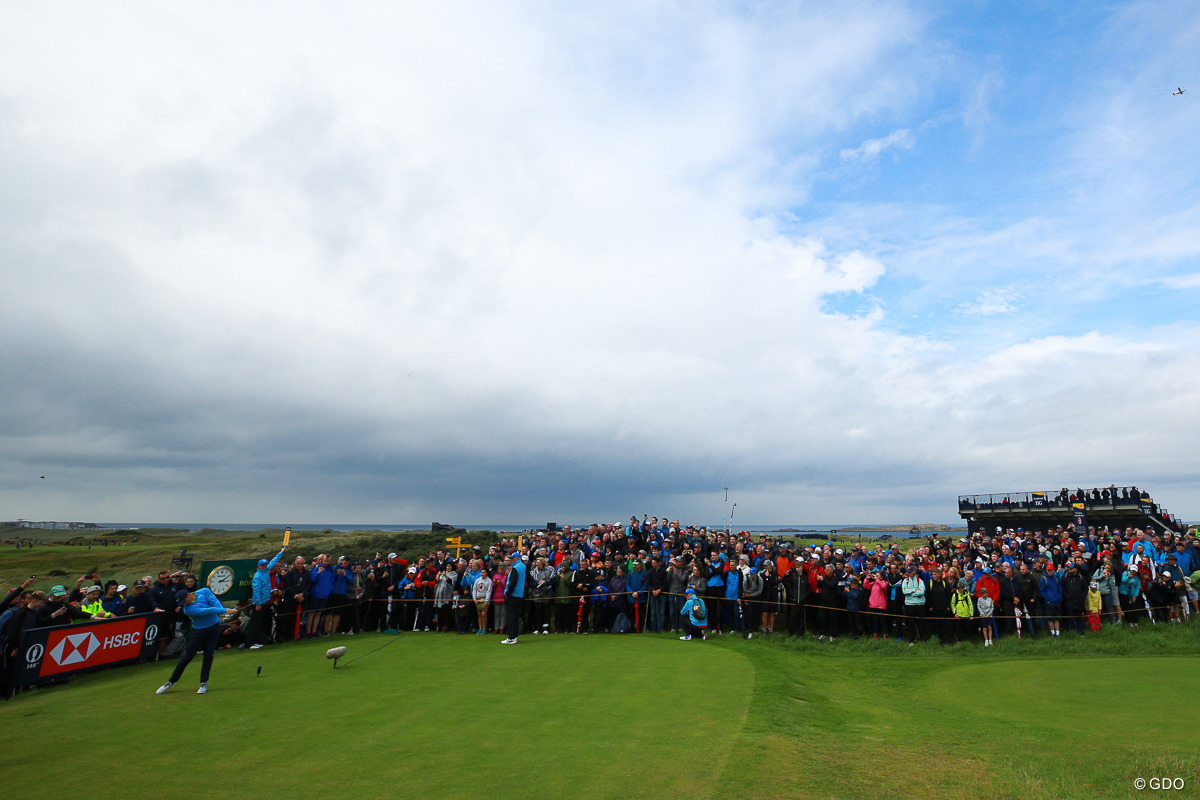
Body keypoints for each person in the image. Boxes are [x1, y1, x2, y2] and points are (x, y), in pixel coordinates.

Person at [156, 585, 230, 695]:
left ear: (188, 595)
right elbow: (208, 610)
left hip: (213, 628)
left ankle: (203, 683)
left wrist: (225, 610)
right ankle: (171, 682)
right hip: (199, 632)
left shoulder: (204, 591)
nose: (183, 604)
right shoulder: (188, 610)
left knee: (209, 654)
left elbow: (215, 602)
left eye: (183, 601)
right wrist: (226, 610)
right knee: (187, 656)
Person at [246, 545, 287, 648]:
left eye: (265, 565)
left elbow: (274, 561)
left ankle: (257, 641)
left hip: (265, 601)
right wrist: (258, 604)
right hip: (258, 603)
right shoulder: (258, 576)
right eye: (262, 565)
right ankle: (249, 643)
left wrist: (281, 552)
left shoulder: (265, 572)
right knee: (254, 623)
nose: (264, 567)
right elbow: (256, 591)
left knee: (260, 623)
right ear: (258, 566)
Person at [501, 550, 526, 644]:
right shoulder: (523, 566)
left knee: (511, 617)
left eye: (512, 558)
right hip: (519, 595)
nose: (511, 560)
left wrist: (507, 593)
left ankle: (512, 637)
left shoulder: (515, 568)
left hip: (513, 595)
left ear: (516, 558)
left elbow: (512, 583)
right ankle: (514, 636)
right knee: (515, 617)